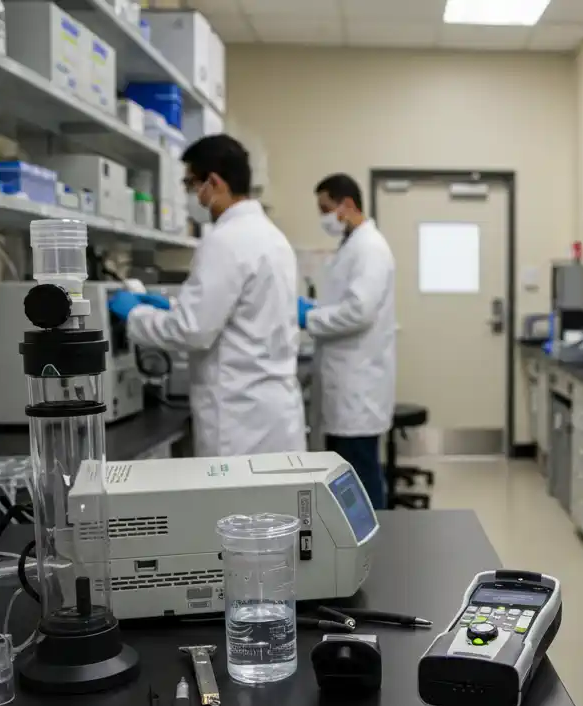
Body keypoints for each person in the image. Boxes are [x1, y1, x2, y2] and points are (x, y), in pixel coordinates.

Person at [109, 134, 304, 458]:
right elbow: (240, 313)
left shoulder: (225, 240)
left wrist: (134, 317)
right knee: (272, 507)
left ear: (213, 182)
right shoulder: (272, 237)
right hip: (273, 411)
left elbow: (192, 331)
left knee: (238, 508)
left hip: (238, 419)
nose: (192, 198)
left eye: (190, 185)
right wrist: (172, 307)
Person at [298, 173, 397, 509]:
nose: (324, 217)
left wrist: (308, 318)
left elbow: (358, 311)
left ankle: (379, 545)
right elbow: (341, 302)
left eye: (326, 208)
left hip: (358, 387)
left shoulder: (370, 247)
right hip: (347, 383)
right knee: (350, 473)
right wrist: (313, 309)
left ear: (348, 205)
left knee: (362, 475)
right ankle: (361, 543)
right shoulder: (352, 246)